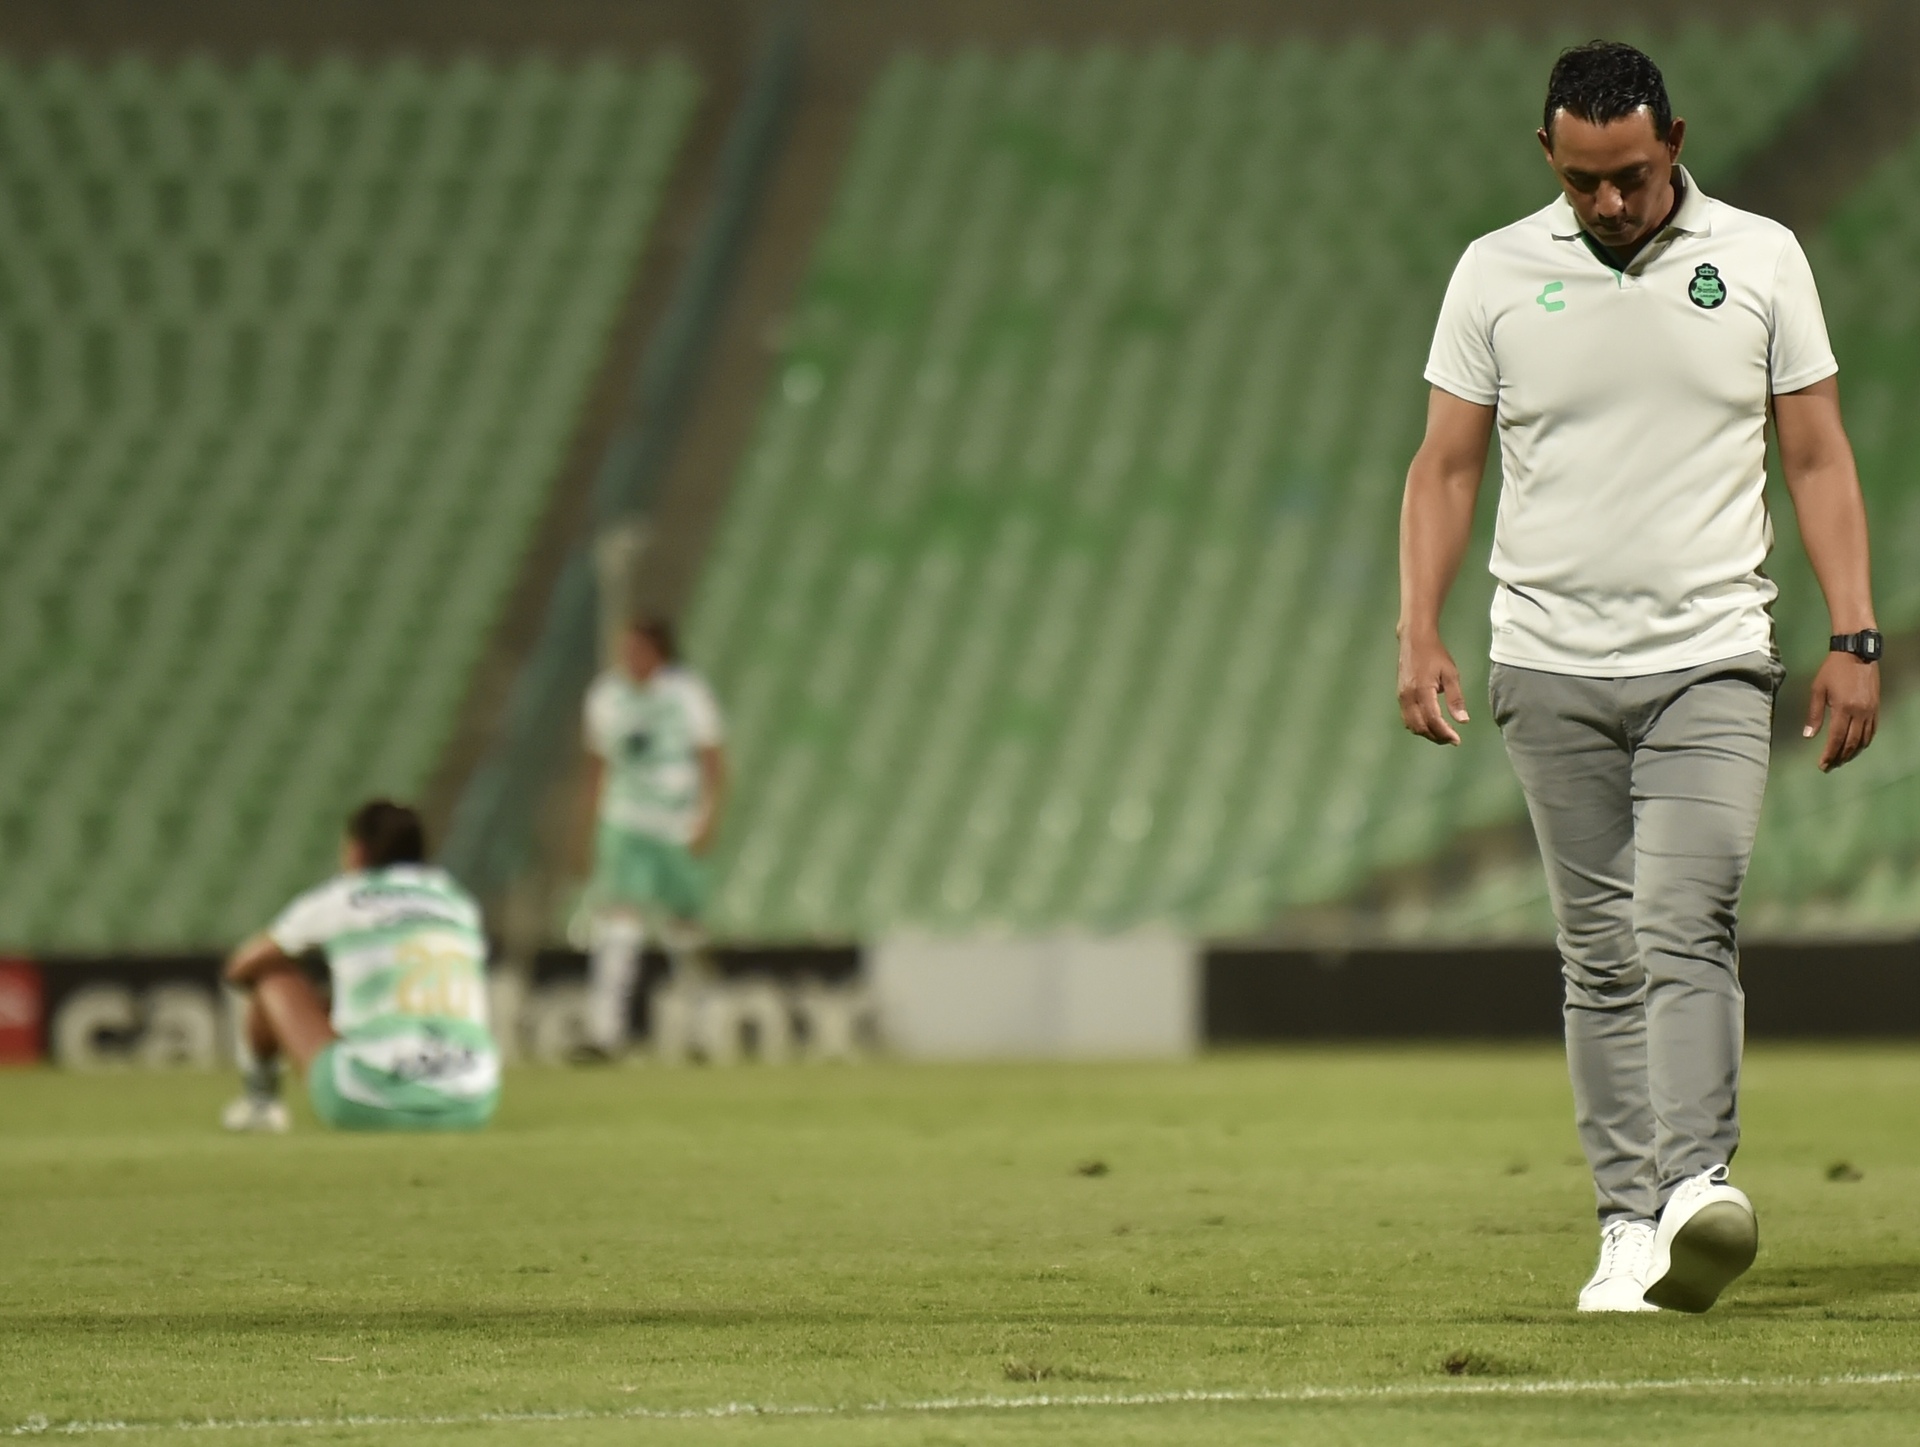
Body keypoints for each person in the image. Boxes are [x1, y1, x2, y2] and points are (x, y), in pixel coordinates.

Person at [1397, 41, 1878, 1313]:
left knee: (1684, 920)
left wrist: (1855, 634)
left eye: (1630, 175)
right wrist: (1417, 627)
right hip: (1545, 664)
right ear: (1546, 156)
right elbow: (1447, 465)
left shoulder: (1762, 260)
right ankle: (1628, 1225)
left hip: (1710, 660)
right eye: (1582, 180)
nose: (1609, 202)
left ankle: (1694, 1184)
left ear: (1676, 141)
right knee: (1600, 957)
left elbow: (1817, 456)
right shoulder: (1493, 273)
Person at [221, 800, 500, 1132]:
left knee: (273, 977)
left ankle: (260, 1104)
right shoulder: (457, 901)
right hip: (473, 1100)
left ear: (357, 851)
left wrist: (318, 1003)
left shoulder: (344, 897)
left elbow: (241, 966)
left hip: (367, 1097)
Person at [577, 616, 727, 1059]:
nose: (629, 657)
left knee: (685, 929)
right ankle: (605, 1033)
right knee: (619, 923)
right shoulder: (606, 696)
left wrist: (709, 816)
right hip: (625, 822)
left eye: (637, 648)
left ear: (659, 651)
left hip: (676, 825)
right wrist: (586, 825)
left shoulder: (688, 694)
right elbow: (597, 765)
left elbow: (713, 757)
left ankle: (703, 1030)